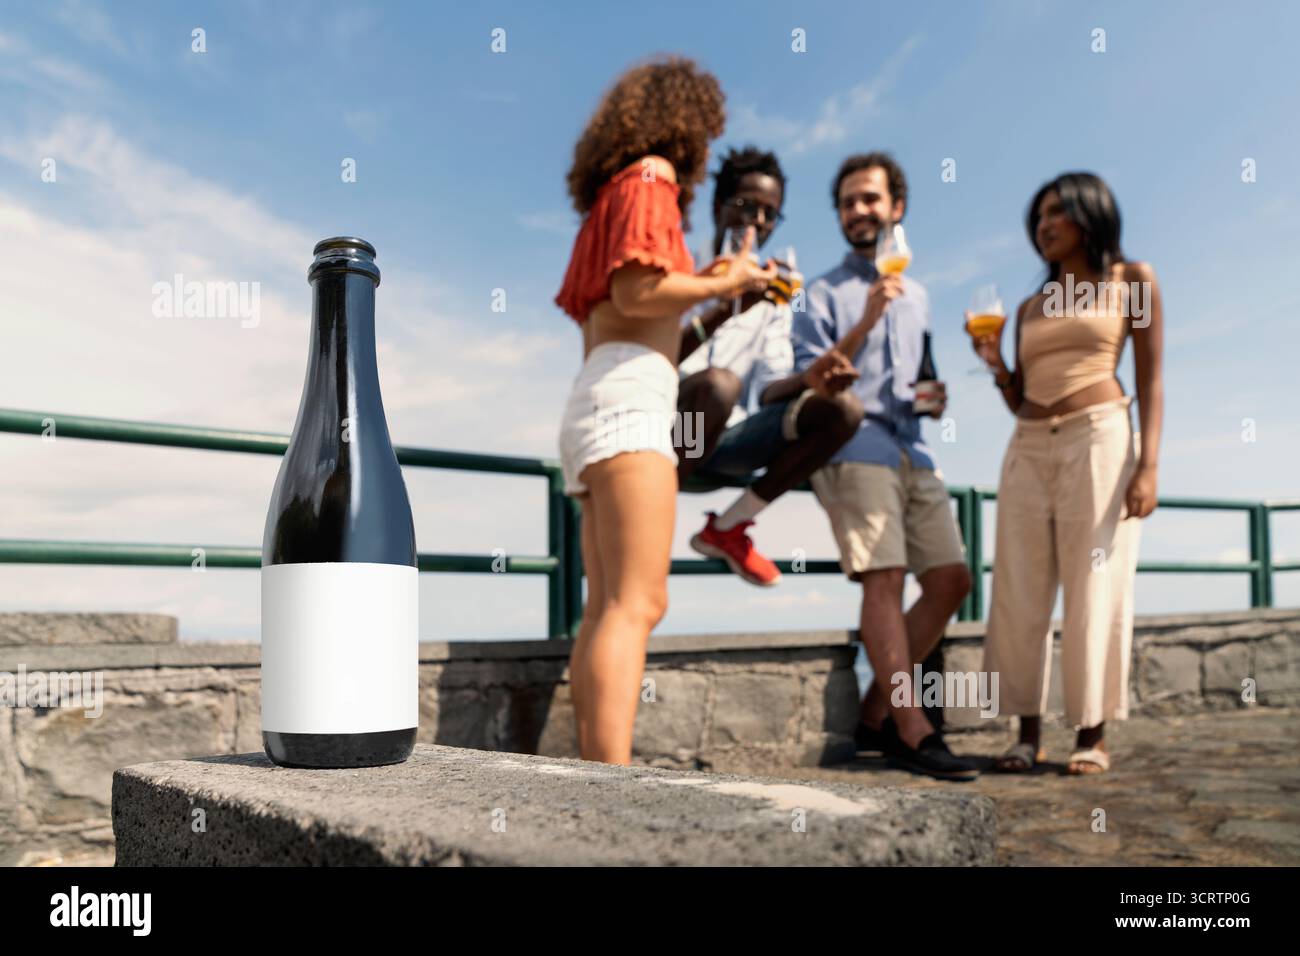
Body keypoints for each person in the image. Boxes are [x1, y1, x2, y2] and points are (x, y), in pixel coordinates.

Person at [554, 57, 775, 765]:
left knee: (605, 605)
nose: (709, 149)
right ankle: (612, 781)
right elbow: (638, 294)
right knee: (640, 604)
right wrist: (732, 276)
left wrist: (718, 293)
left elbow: (640, 310)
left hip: (598, 390)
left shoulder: (612, 195)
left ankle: (595, 773)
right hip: (632, 401)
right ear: (685, 121)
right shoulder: (654, 177)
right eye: (709, 130)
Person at [794, 152, 978, 781]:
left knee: (954, 578)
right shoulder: (818, 292)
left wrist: (936, 397)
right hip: (853, 446)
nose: (858, 211)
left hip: (913, 446)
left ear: (896, 207)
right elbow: (810, 379)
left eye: (869, 198)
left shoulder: (919, 294)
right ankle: (914, 726)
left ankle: (876, 716)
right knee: (887, 577)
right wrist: (866, 319)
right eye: (847, 201)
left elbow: (919, 376)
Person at [973, 172, 1164, 775]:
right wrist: (997, 364)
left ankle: (1091, 732)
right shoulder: (1030, 305)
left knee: (1095, 584)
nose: (1044, 225)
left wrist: (1150, 465)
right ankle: (1025, 733)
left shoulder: (1132, 280)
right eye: (1038, 217)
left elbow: (1151, 378)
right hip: (1027, 443)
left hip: (1101, 436)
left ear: (1091, 213)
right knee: (1018, 587)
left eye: (1057, 212)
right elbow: (1019, 395)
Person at [676, 145, 863, 587]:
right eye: (747, 207)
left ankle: (728, 528)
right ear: (719, 206)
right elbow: (657, 363)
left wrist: (809, 379)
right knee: (716, 388)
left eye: (769, 214)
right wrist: (728, 306)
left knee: (842, 409)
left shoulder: (774, 297)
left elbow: (767, 389)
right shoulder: (681, 266)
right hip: (670, 437)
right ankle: (647, 520)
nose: (758, 222)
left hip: (727, 443)